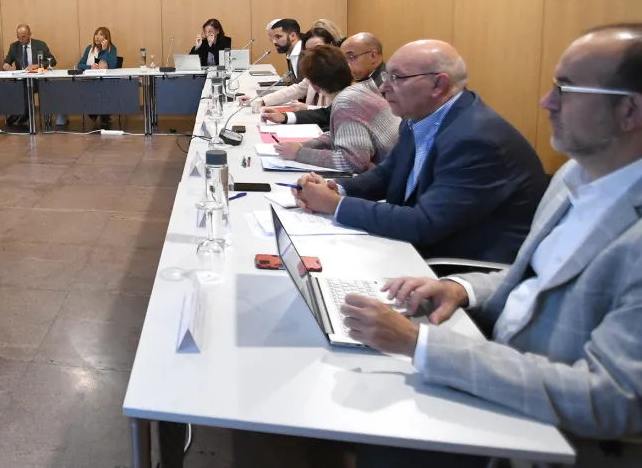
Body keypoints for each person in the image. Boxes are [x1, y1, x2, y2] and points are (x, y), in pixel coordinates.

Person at [340, 24, 642, 467]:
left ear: (630, 111)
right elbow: (536, 277)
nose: (547, 102)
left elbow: (611, 401)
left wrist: (420, 345)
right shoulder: (571, 179)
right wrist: (463, 289)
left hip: (553, 433)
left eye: (566, 89)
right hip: (496, 354)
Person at [293, 39, 547, 263]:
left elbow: (424, 224)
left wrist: (337, 205)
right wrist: (335, 188)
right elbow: (387, 174)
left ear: (438, 84)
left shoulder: (476, 140)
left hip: (455, 267)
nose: (383, 88)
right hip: (415, 248)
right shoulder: (418, 118)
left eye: (397, 78)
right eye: (386, 77)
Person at [273, 44, 399, 173]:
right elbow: (340, 134)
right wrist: (304, 145)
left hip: (390, 179)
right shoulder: (361, 89)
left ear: (314, 86)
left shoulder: (347, 102)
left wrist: (300, 153)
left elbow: (353, 162)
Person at [263, 32, 388, 128]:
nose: (346, 64)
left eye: (350, 57)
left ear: (373, 56)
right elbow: (330, 112)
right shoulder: (361, 79)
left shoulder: (383, 86)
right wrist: (285, 117)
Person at [249, 26, 336, 112]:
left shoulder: (339, 73)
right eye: (310, 51)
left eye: (318, 48)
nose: (314, 55)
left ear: (331, 46)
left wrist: (307, 108)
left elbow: (336, 111)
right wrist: (264, 100)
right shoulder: (316, 71)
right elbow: (297, 89)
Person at [71, 26, 120, 128]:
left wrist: (105, 50)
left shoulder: (112, 48)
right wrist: (90, 67)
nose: (97, 37)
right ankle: (100, 113)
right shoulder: (90, 48)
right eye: (96, 34)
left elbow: (113, 65)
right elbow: (80, 64)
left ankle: (103, 114)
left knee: (103, 89)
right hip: (90, 81)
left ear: (107, 38)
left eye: (101, 35)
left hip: (107, 82)